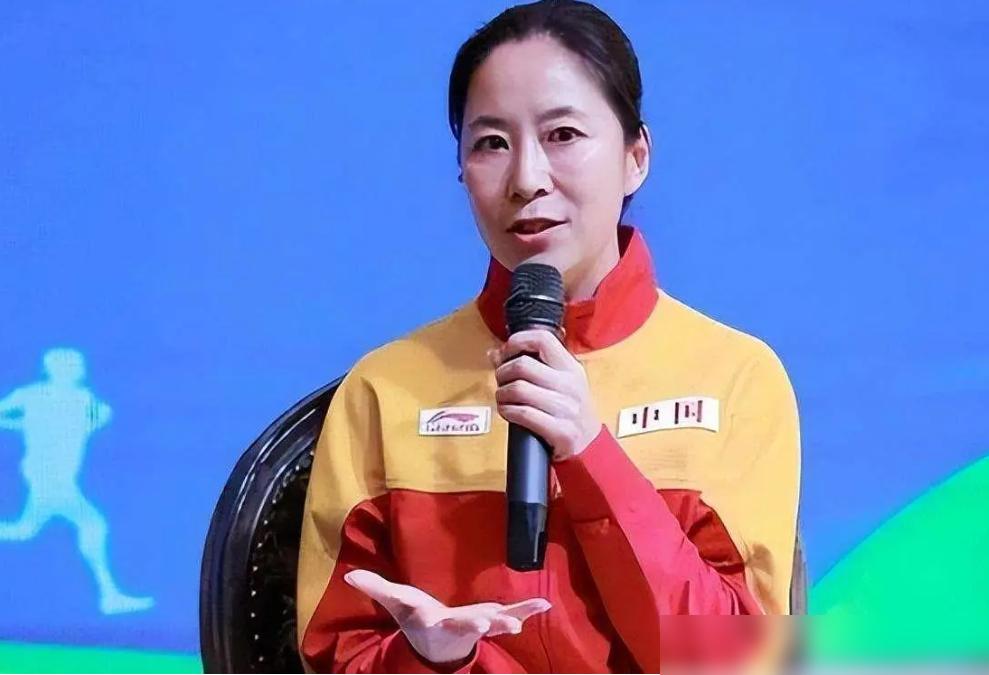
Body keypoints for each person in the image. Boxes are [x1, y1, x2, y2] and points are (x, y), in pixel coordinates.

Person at [296, 1, 800, 672]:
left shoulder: (735, 376)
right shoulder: (384, 389)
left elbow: (738, 661)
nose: (527, 179)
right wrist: (431, 659)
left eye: (562, 134)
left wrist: (589, 452)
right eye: (490, 143)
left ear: (635, 157)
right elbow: (335, 654)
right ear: (460, 170)